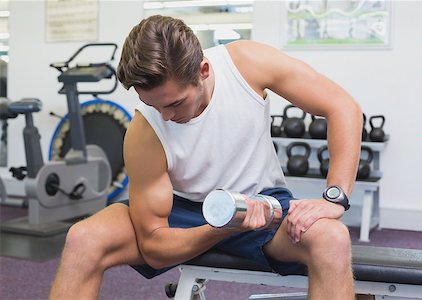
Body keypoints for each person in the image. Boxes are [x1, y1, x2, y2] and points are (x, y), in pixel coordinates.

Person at [50, 15, 362, 299]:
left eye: (174, 103)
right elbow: (155, 247)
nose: (166, 116)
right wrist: (221, 227)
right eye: (155, 105)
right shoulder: (145, 130)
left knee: (331, 239)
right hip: (182, 209)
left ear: (204, 70)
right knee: (84, 238)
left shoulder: (247, 64)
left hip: (260, 206)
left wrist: (334, 197)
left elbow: (343, 107)